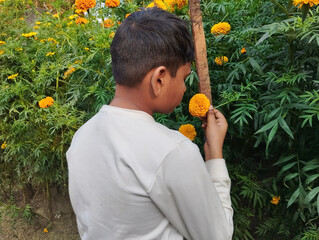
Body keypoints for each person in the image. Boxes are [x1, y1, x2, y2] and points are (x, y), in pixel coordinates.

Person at [67, 7, 233, 240]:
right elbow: (218, 236)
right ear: (159, 79)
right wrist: (214, 155)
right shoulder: (172, 152)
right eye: (184, 78)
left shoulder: (81, 137)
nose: (185, 88)